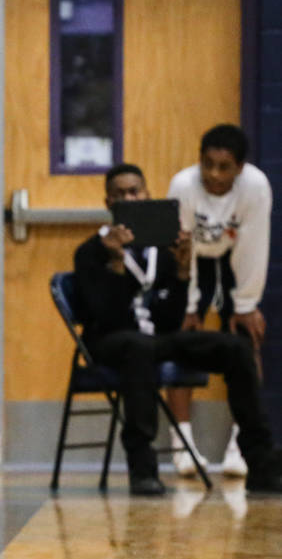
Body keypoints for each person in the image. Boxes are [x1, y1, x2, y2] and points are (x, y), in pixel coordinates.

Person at [73, 162, 282, 496]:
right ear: (109, 203)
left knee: (237, 348)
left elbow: (170, 321)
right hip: (110, 343)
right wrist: (114, 264)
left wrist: (183, 273)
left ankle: (261, 463)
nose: (131, 197)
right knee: (137, 347)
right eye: (121, 194)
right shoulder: (89, 252)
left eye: (136, 191)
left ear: (148, 195)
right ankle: (143, 470)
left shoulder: (164, 248)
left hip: (156, 339)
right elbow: (106, 317)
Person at [167, 125, 273, 478]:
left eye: (223, 167)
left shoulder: (256, 187)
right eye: (207, 164)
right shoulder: (183, 186)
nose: (213, 174)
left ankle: (239, 449)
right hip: (191, 263)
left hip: (229, 262)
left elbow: (254, 248)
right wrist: (190, 306)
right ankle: (182, 447)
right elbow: (181, 249)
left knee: (246, 342)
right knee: (181, 343)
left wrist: (246, 304)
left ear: (240, 168)